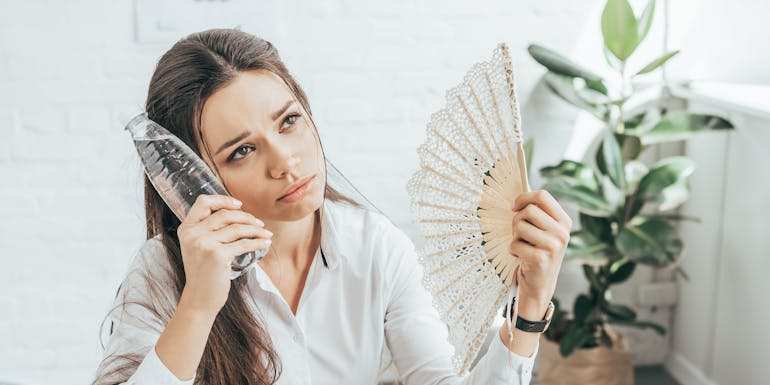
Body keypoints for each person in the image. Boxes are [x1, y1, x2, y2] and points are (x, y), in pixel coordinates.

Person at [92, 28, 572, 385]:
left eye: (288, 121)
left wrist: (531, 305)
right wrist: (198, 305)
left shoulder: (375, 248)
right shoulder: (163, 272)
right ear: (192, 181)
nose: (286, 162)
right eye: (242, 151)